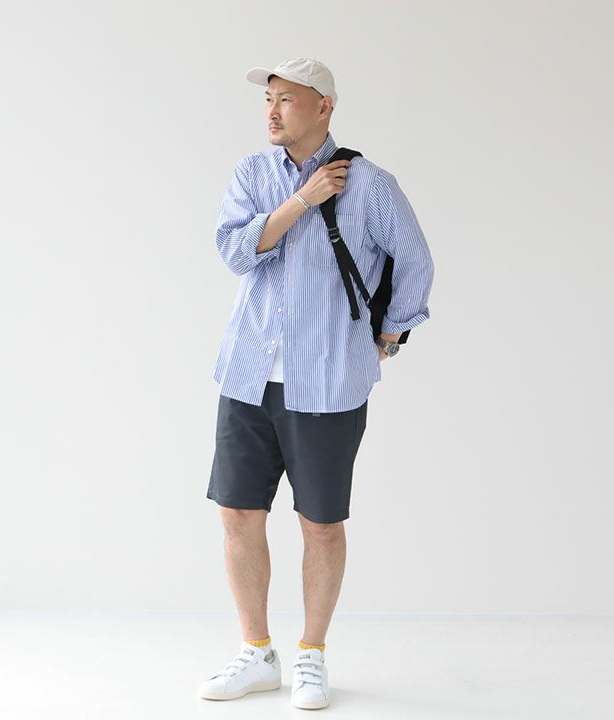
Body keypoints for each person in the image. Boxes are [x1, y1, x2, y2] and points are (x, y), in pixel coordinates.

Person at [198, 57, 434, 710]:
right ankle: (256, 652)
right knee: (237, 514)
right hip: (248, 374)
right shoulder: (252, 174)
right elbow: (236, 252)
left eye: (286, 99)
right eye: (267, 99)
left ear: (324, 107)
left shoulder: (371, 185)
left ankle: (311, 655)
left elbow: (415, 259)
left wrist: (391, 334)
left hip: (328, 382)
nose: (272, 111)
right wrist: (303, 200)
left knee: (321, 524)